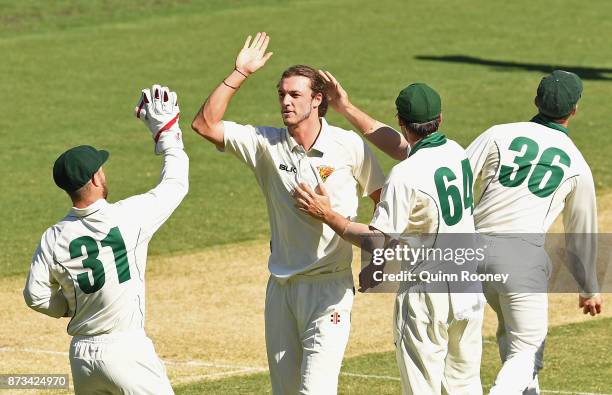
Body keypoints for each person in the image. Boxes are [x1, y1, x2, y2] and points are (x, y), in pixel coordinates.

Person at [190, 32, 385, 394]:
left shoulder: (348, 146)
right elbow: (204, 125)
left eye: (295, 94)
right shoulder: (265, 144)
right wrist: (240, 73)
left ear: (317, 99)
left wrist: (373, 256)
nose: (285, 102)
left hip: (329, 288)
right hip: (281, 289)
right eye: (281, 94)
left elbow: (385, 202)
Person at [294, 81, 484, 394]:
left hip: (428, 295)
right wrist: (346, 108)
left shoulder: (405, 176)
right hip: (468, 287)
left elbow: (376, 239)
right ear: (439, 119)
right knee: (465, 386)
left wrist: (327, 215)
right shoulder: (456, 153)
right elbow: (400, 147)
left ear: (400, 120)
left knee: (422, 388)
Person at [23, 84, 188, 394]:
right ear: (97, 178)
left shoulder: (53, 237)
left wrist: (67, 306)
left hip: (82, 356)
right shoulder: (129, 218)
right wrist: (167, 133)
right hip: (126, 350)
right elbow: (176, 183)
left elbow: (35, 295)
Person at [466, 70, 603, 394]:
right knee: (527, 351)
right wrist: (589, 287)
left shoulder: (498, 134)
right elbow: (580, 235)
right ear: (575, 110)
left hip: (472, 251)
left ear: (536, 101)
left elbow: (457, 177)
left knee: (512, 338)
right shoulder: (576, 163)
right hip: (521, 258)